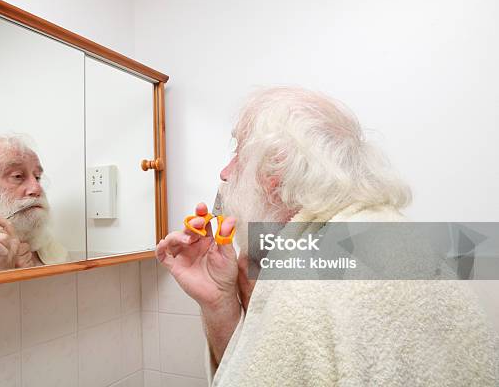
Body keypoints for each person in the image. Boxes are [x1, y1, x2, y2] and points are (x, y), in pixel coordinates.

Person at [156, 87, 498, 386]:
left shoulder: (308, 284)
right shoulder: (390, 234)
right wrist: (219, 304)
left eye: (238, 153)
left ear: (273, 172)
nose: (225, 172)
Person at [0, 135, 67, 275]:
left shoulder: (50, 251)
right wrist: (0, 274)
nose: (37, 188)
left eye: (37, 177)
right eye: (17, 176)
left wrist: (23, 278)